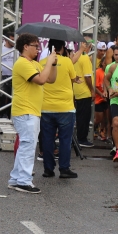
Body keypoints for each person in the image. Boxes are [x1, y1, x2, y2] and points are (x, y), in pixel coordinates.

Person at [8, 34, 58, 194]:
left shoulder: (34, 63)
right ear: (25, 46)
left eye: (38, 46)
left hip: (31, 111)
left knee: (27, 145)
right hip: (25, 111)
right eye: (35, 46)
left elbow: (51, 79)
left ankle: (16, 179)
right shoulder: (22, 63)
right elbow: (41, 80)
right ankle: (23, 181)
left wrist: (54, 64)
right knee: (28, 146)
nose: (38, 48)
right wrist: (49, 61)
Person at [39, 39, 79, 179]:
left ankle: (48, 169)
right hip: (65, 108)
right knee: (65, 140)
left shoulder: (42, 62)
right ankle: (64, 169)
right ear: (62, 48)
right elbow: (74, 78)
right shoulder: (67, 61)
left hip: (46, 108)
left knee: (47, 140)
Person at [72, 41, 95, 147]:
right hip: (84, 91)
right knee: (84, 117)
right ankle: (82, 139)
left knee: (80, 116)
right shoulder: (85, 58)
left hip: (76, 90)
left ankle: (80, 137)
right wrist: (92, 90)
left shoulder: (74, 57)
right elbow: (87, 76)